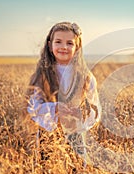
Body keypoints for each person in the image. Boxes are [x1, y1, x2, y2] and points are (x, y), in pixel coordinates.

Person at [26, 21, 101, 164]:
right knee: (46, 173)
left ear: (77, 47)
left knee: (77, 173)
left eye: (70, 43)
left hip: (75, 133)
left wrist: (81, 113)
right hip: (47, 134)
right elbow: (33, 106)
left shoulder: (85, 77)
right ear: (50, 45)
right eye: (58, 42)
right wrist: (55, 109)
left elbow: (94, 108)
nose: (64, 47)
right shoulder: (42, 75)